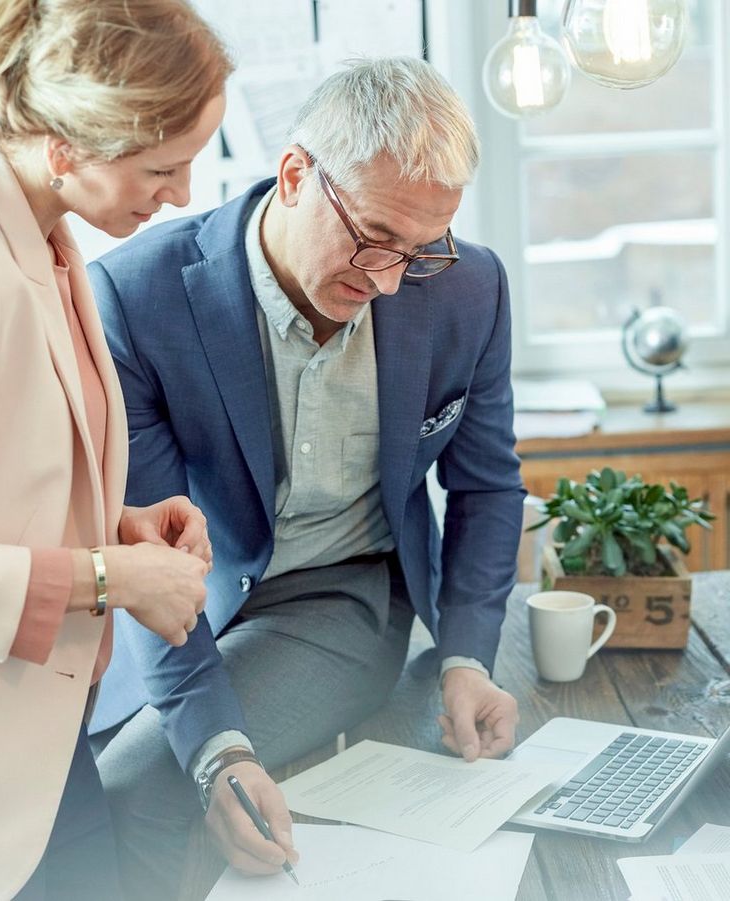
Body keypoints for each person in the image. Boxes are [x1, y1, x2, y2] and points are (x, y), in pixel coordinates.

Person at [90, 57, 525, 900]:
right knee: (101, 784)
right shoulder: (137, 297)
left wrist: (467, 656)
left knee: (138, 787)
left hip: (345, 597)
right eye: (372, 238)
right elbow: (147, 547)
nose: (392, 278)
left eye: (422, 248)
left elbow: (486, 489)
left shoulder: (470, 288)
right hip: (186, 596)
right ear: (294, 176)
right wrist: (220, 747)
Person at [0, 1, 233, 898]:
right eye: (162, 168)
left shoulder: (49, 241)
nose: (180, 195)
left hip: (48, 730)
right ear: (67, 146)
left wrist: (121, 525)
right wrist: (109, 578)